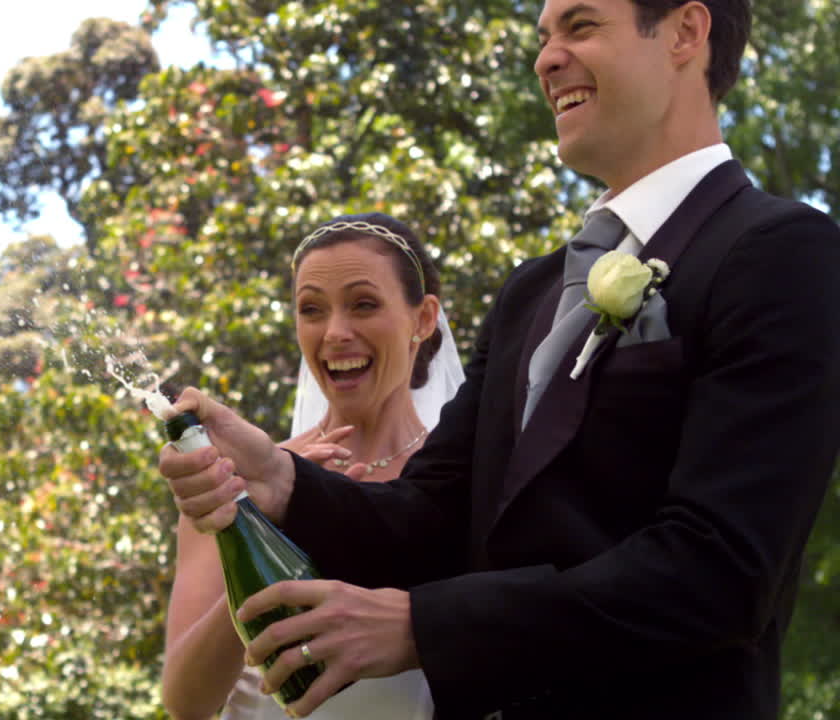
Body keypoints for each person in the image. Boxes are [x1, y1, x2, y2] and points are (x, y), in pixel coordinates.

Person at [159, 1, 840, 718]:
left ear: (685, 32)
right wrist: (278, 479)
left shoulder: (782, 253)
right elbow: (431, 516)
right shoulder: (532, 292)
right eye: (544, 37)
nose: (546, 59)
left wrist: (425, 627)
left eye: (580, 27)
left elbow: (719, 573)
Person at [161, 213, 464, 720]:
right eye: (312, 310)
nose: (335, 332)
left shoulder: (463, 479)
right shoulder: (232, 480)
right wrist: (259, 532)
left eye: (363, 304)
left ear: (424, 318)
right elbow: (186, 703)